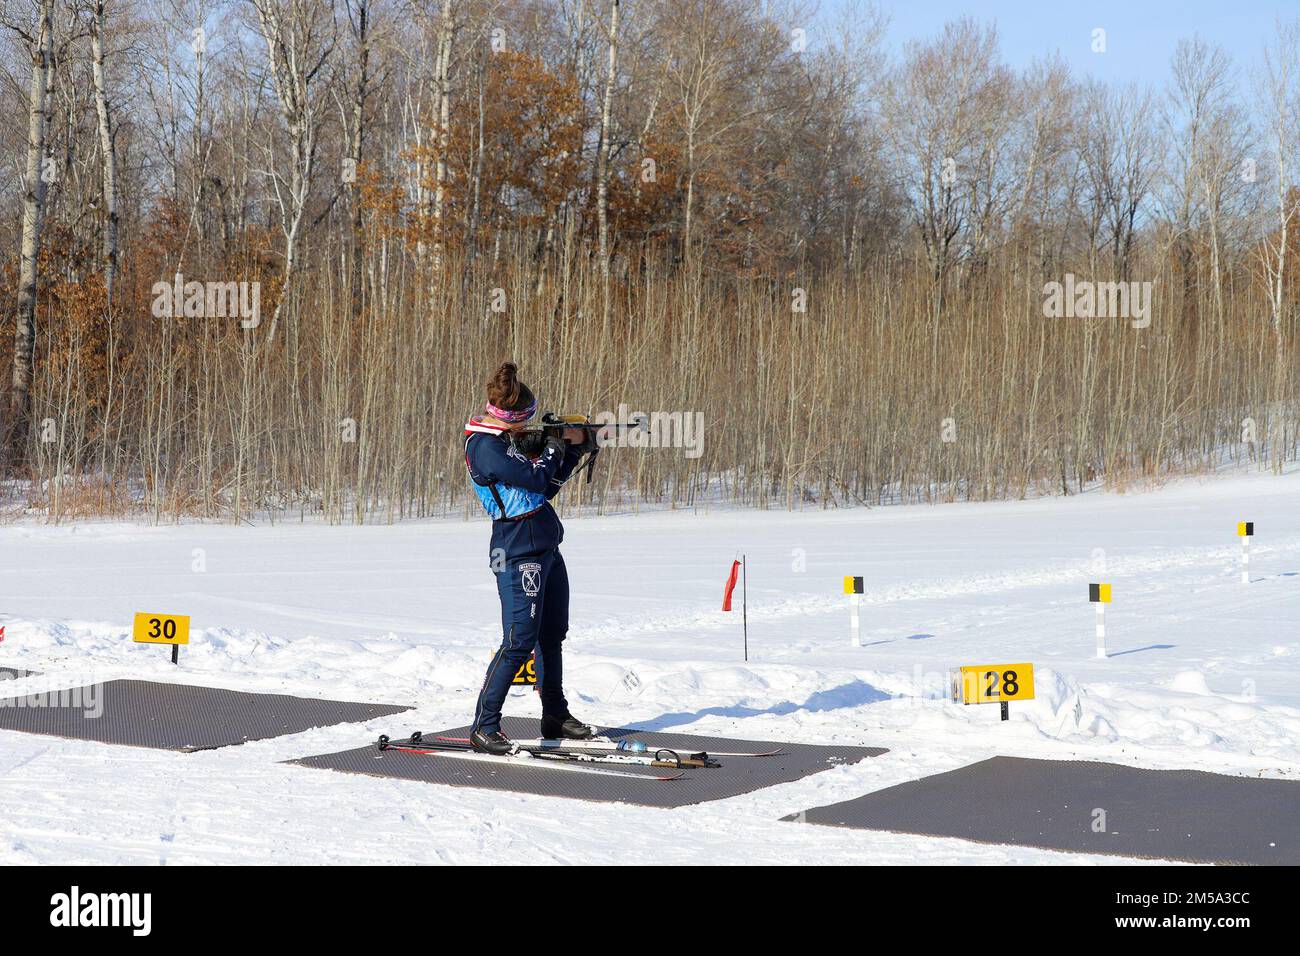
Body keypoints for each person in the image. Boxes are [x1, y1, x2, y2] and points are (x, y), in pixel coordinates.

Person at [463, 362, 594, 754]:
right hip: (515, 551)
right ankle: (484, 726)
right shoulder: (486, 447)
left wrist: (574, 449)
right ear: (516, 417)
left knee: (552, 634)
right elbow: (537, 477)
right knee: (519, 640)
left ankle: (554, 713)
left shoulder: (508, 441)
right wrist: (555, 445)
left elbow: (546, 486)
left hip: (545, 545)